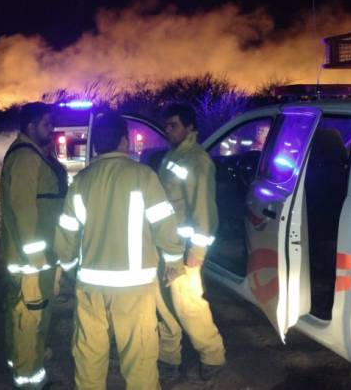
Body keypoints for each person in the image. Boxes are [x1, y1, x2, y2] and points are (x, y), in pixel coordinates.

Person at [55, 112, 185, 389]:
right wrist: (174, 262)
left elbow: (66, 232)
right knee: (139, 357)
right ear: (124, 141)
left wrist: (68, 267)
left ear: (96, 145)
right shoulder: (143, 176)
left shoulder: (81, 181)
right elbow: (165, 225)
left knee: (89, 354)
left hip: (90, 285)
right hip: (134, 288)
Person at [156, 103, 226, 380]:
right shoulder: (174, 156)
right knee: (165, 306)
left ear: (189, 127)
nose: (167, 130)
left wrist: (196, 252)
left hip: (184, 250)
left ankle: (212, 356)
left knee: (188, 305)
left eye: (173, 125)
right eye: (166, 125)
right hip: (166, 246)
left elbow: (203, 212)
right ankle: (168, 357)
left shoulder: (196, 161)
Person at [1, 102, 68, 389]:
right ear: (30, 126)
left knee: (23, 312)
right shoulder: (26, 158)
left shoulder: (35, 155)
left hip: (37, 255)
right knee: (30, 316)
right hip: (33, 259)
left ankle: (23, 358)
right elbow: (23, 209)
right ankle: (30, 378)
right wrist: (37, 255)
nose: (51, 128)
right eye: (46, 124)